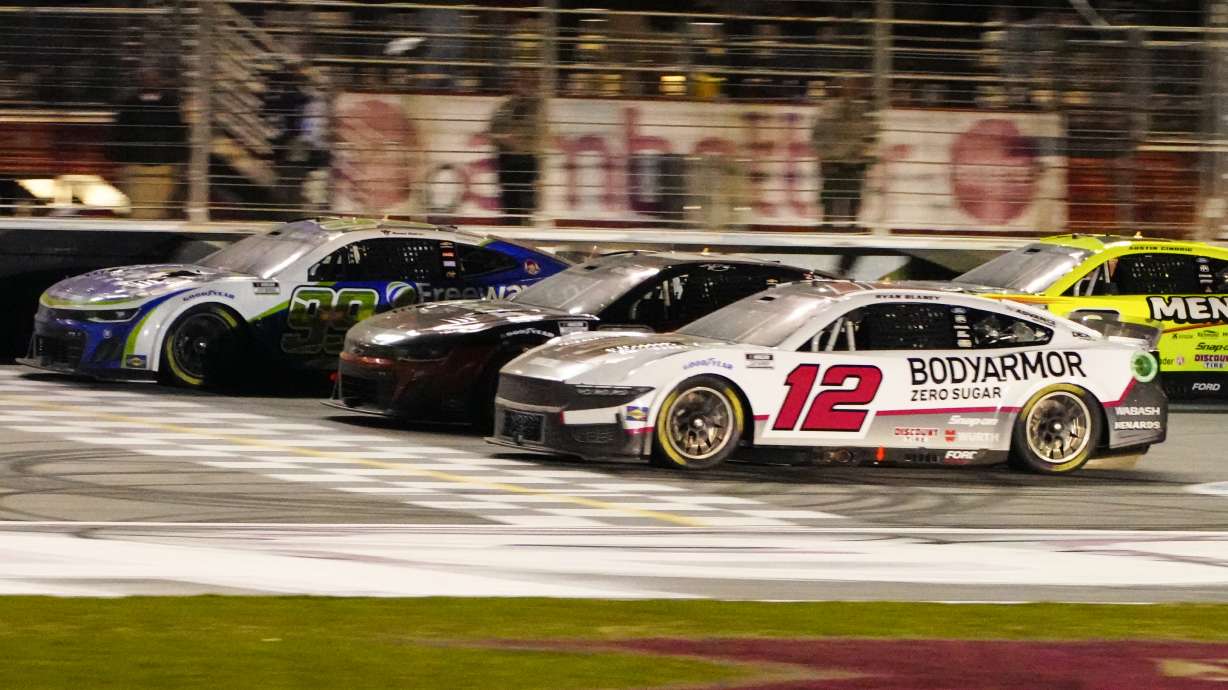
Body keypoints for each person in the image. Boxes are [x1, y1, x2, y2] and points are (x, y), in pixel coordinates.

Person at [110, 66, 187, 219]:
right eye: (147, 78)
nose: (150, 81)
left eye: (153, 78)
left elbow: (177, 134)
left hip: (160, 168)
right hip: (141, 168)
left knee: (155, 210)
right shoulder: (131, 106)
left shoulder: (168, 105)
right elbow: (121, 134)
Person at [811, 76, 878, 228]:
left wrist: (866, 154)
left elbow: (871, 134)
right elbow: (819, 133)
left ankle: (849, 223)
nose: (849, 90)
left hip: (851, 160)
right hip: (837, 159)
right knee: (831, 193)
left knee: (852, 193)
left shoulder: (862, 108)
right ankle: (828, 223)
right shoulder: (830, 109)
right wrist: (824, 156)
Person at [488, 71, 541, 224]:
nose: (525, 86)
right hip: (507, 159)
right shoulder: (504, 105)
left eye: (530, 83)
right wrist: (505, 138)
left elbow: (536, 133)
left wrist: (513, 139)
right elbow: (493, 130)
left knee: (526, 201)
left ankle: (526, 230)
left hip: (527, 159)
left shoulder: (538, 106)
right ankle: (511, 230)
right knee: (509, 200)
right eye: (521, 82)